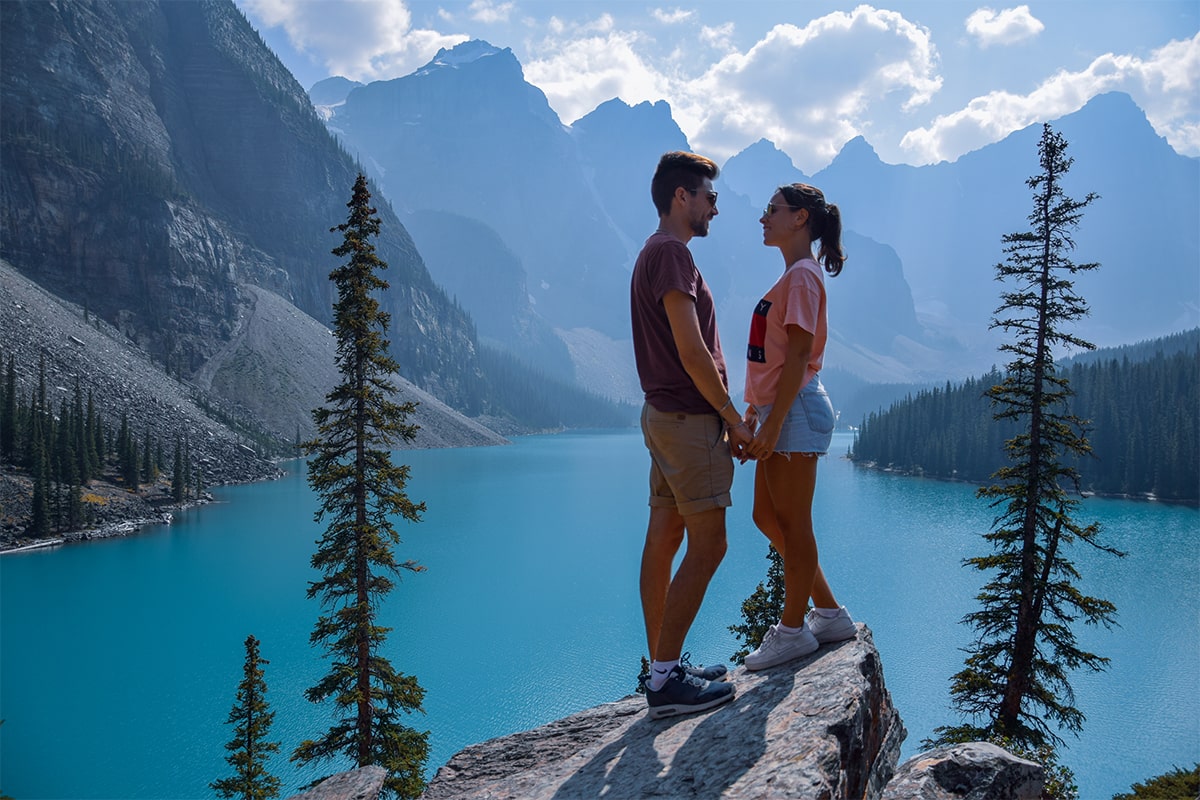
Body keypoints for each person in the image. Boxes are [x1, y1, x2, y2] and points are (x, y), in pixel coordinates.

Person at [631, 151, 753, 718]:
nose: (715, 207)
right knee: (711, 544)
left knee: (665, 535)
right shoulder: (674, 255)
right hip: (687, 421)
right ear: (682, 197)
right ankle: (664, 680)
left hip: (662, 417)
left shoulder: (652, 253)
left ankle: (662, 663)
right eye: (709, 197)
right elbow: (691, 350)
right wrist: (730, 414)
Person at [741, 182, 858, 671]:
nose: (763, 217)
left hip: (796, 408)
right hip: (779, 410)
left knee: (793, 521)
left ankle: (793, 631)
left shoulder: (804, 276)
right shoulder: (793, 277)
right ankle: (828, 613)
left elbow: (801, 356)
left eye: (773, 210)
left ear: (800, 219)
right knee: (767, 518)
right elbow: (773, 357)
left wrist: (773, 421)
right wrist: (754, 411)